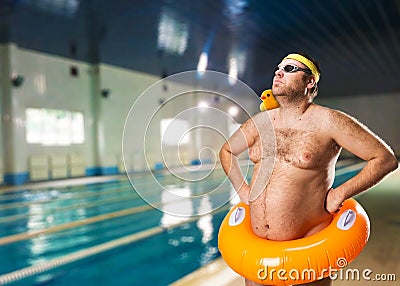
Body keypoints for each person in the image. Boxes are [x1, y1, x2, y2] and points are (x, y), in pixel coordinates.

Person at [219, 52, 398, 286]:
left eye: (290, 68)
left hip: (308, 246)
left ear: (309, 81)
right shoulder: (260, 123)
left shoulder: (329, 122)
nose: (279, 72)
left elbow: (384, 158)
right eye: (278, 68)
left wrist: (340, 194)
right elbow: (226, 151)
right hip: (258, 249)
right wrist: (243, 190)